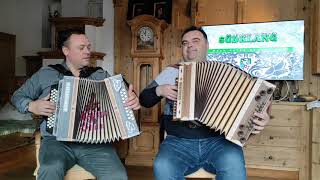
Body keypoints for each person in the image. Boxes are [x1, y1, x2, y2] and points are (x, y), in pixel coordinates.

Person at [139, 26, 271, 180]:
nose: (190, 45)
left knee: (234, 165)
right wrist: (159, 90)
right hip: (178, 143)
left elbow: (258, 94)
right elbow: (144, 100)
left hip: (219, 141)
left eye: (196, 41)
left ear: (206, 45)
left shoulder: (226, 73)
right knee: (162, 166)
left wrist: (264, 116)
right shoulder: (171, 73)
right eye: (185, 42)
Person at [11, 29, 140, 180]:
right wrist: (32, 106)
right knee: (50, 169)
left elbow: (124, 98)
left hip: (94, 142)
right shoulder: (46, 74)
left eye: (88, 47)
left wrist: (132, 100)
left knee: (118, 175)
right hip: (56, 142)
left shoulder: (100, 75)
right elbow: (17, 96)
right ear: (66, 50)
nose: (87, 52)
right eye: (81, 48)